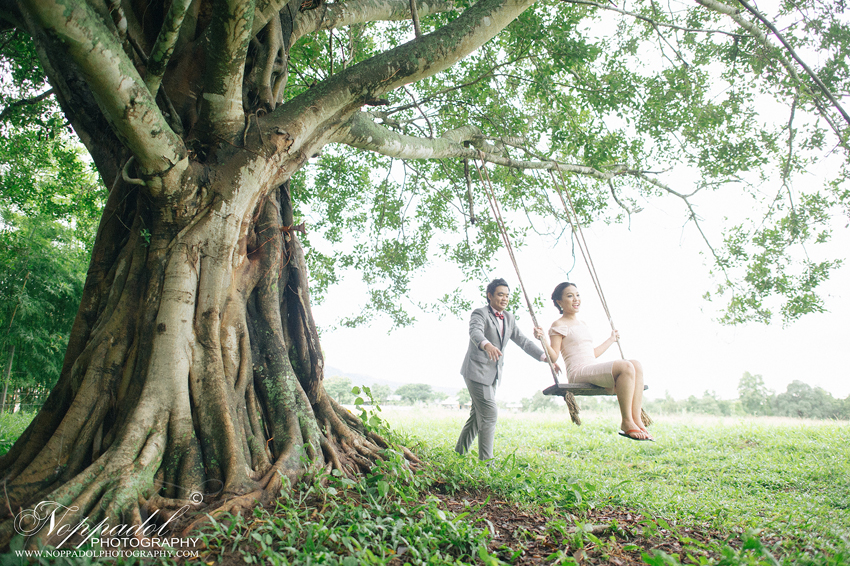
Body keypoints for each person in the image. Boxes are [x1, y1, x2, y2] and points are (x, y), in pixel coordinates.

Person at [455, 278, 560, 461]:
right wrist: (487, 345)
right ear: (490, 296)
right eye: (500, 294)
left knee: (477, 414)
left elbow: (524, 342)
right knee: (489, 413)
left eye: (507, 295)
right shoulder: (480, 313)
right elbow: (475, 332)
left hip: (493, 374)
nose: (504, 298)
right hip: (476, 371)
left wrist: (546, 359)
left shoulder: (509, 318)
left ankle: (459, 453)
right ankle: (487, 464)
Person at [543, 282, 653, 441]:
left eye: (577, 295)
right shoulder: (558, 325)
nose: (576, 299)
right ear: (559, 302)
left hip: (590, 367)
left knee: (636, 364)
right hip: (578, 372)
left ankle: (636, 420)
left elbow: (591, 354)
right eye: (569, 296)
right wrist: (543, 339)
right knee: (626, 366)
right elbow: (553, 356)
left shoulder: (583, 324)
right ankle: (626, 421)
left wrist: (611, 340)